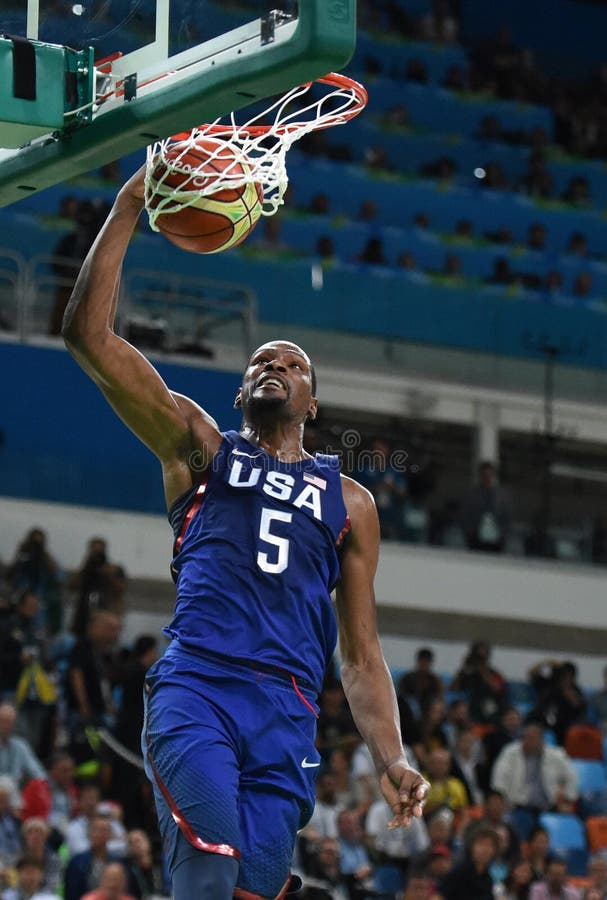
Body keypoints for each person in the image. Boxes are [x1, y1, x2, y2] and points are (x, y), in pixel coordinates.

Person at [61, 165, 429, 900]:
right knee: (208, 870)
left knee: (251, 888)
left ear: (311, 402)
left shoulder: (350, 502)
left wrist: (391, 756)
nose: (275, 365)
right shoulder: (200, 448)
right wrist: (133, 200)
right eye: (262, 360)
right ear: (240, 391)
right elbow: (87, 337)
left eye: (292, 364)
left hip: (287, 715)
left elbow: (359, 658)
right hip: (198, 686)